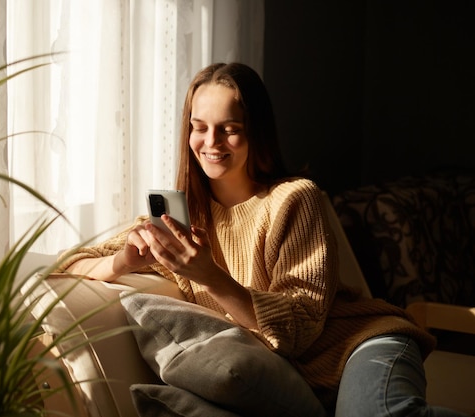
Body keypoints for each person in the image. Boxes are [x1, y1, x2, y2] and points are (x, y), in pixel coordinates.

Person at [56, 62, 469, 417]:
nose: (211, 143)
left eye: (229, 129)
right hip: (299, 386)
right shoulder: (181, 218)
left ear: (257, 133)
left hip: (361, 345)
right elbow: (68, 265)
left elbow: (299, 330)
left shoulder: (294, 199)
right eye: (199, 128)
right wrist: (125, 260)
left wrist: (210, 275)